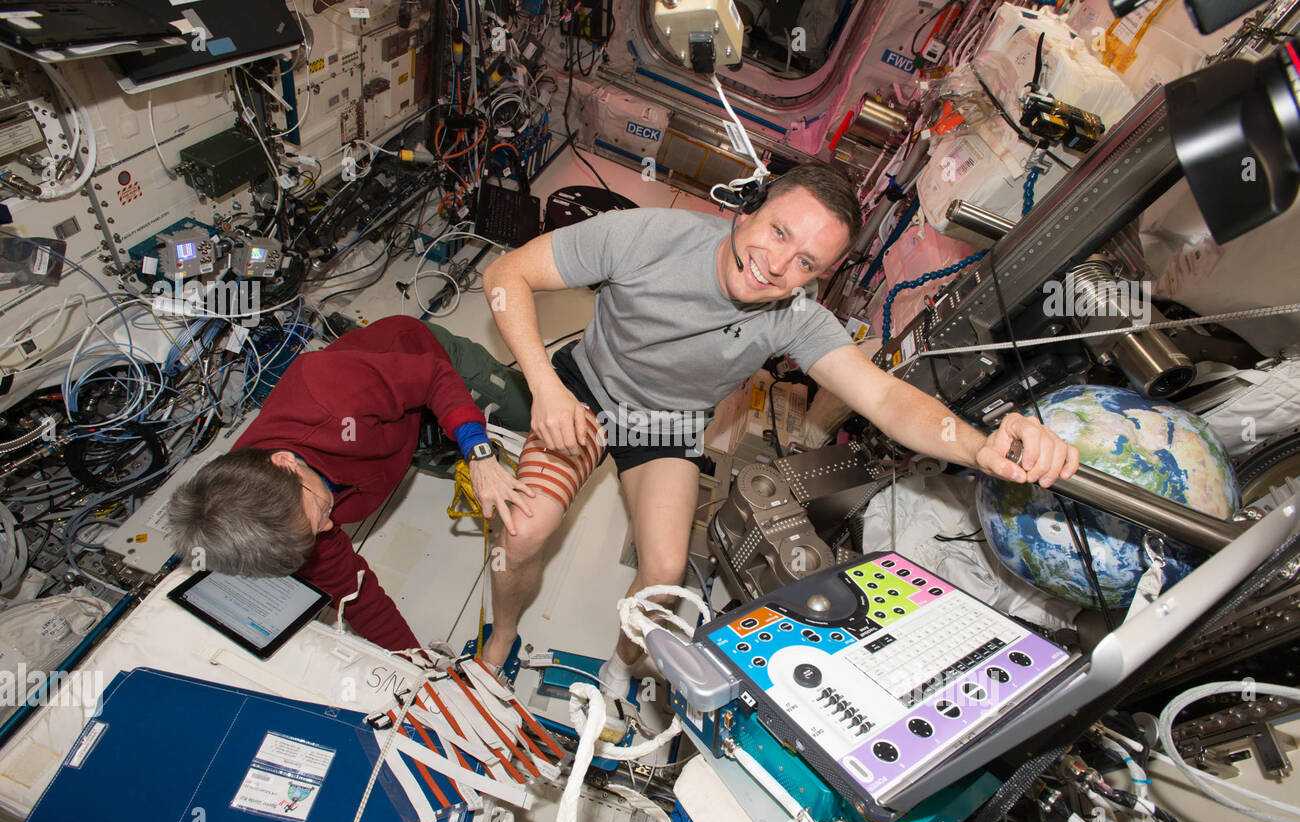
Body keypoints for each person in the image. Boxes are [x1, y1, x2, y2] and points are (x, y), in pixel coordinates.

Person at [479, 163, 1079, 688]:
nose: (775, 266)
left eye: (804, 263)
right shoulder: (647, 235)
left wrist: (981, 448)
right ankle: (502, 633)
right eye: (778, 232)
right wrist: (546, 387)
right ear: (748, 209)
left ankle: (620, 667)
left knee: (663, 570)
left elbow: (887, 400)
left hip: (666, 425)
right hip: (584, 391)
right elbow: (506, 274)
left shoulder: (796, 318)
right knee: (526, 532)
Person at [168, 315, 534, 651]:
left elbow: (434, 376)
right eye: (315, 531)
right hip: (392, 437)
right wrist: (412, 663)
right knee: (465, 458)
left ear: (287, 465)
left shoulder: (327, 394)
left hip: (423, 361)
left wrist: (478, 450)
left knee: (533, 410)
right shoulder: (286, 522)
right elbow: (356, 597)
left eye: (319, 514)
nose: (330, 527)